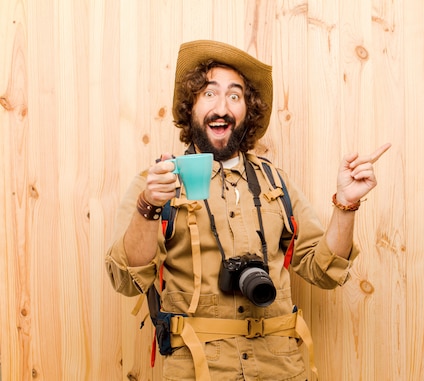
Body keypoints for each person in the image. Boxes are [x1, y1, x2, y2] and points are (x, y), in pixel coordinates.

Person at [105, 39, 390, 381]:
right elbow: (127, 281)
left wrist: (347, 204)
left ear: (248, 110)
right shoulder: (158, 183)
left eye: (235, 96)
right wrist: (150, 206)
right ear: (191, 105)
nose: (222, 107)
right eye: (209, 93)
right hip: (198, 370)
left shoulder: (276, 183)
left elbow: (324, 272)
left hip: (280, 368)